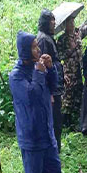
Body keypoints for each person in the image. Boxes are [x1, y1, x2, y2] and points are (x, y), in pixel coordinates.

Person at [8, 31, 70, 173]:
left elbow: (53, 87)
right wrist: (40, 72)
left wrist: (50, 69)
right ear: (26, 51)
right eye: (35, 46)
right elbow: (32, 96)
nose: (39, 49)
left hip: (46, 129)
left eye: (38, 45)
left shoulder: (39, 67)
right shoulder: (16, 76)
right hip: (31, 134)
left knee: (54, 168)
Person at [36, 9, 64, 152]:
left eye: (54, 20)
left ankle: (56, 148)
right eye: (51, 20)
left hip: (55, 85)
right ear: (45, 22)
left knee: (57, 120)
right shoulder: (43, 40)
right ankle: (54, 149)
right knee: (54, 121)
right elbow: (44, 67)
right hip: (51, 89)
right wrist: (50, 92)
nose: (54, 23)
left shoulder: (47, 37)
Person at [54, 3, 85, 125]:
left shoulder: (77, 35)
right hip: (68, 71)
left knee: (78, 94)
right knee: (68, 96)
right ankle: (66, 121)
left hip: (78, 70)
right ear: (65, 25)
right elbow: (60, 56)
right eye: (70, 23)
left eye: (73, 22)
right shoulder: (61, 40)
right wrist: (70, 49)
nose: (72, 25)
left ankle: (76, 120)